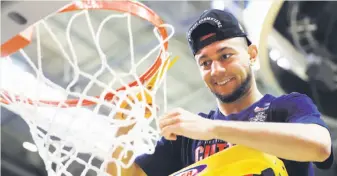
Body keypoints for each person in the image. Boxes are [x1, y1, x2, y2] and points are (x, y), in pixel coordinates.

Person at [107, 9, 334, 176]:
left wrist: (213, 129)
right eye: (205, 63)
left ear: (252, 54)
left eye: (226, 56)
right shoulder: (186, 138)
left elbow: (319, 147)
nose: (216, 70)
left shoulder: (287, 107)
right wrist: (124, 129)